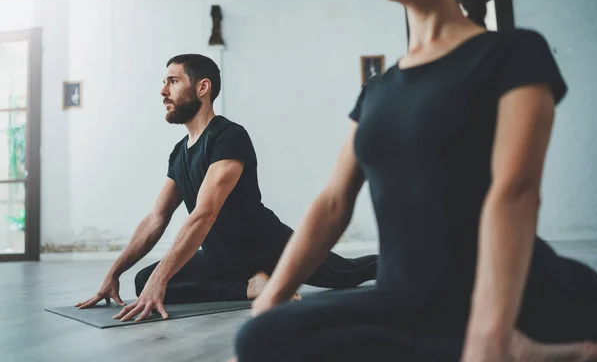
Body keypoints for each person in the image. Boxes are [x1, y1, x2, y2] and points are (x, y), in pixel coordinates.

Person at [231, 0, 597, 361]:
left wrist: (490, 331)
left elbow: (515, 192)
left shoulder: (514, 52)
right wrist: (273, 296)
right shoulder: (377, 90)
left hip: (515, 290)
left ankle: (509, 343)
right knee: (259, 338)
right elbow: (333, 203)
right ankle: (527, 355)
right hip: (405, 297)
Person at [75, 54, 378, 322]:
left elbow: (204, 213)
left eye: (173, 81)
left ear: (202, 87)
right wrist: (114, 273)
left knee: (349, 273)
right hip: (225, 259)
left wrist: (161, 279)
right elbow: (157, 217)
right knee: (145, 280)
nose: (163, 91)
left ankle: (407, 261)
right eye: (163, 82)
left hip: (267, 246)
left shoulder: (228, 136)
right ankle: (251, 286)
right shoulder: (179, 152)